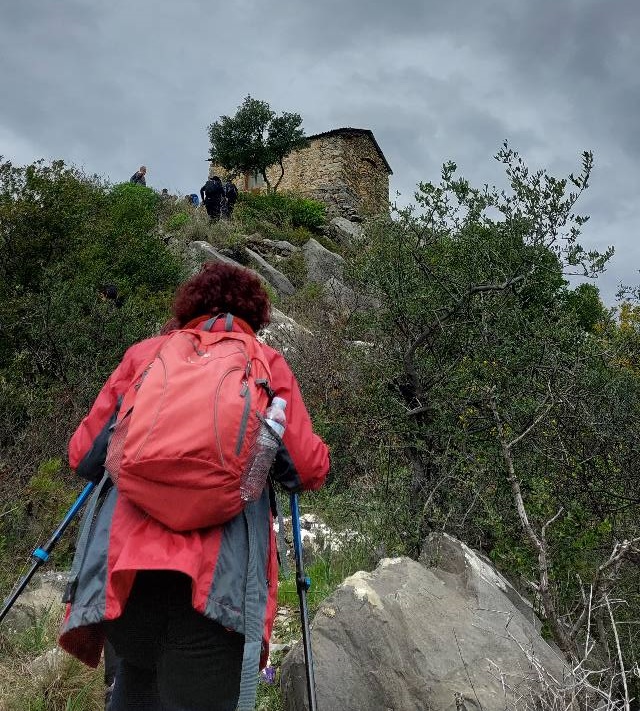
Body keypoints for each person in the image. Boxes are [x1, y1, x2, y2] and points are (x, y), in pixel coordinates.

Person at [59, 262, 330, 711]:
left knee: (136, 678)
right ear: (256, 315)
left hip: (126, 577)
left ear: (189, 307)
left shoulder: (145, 356)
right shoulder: (265, 363)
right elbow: (307, 469)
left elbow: (83, 454)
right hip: (213, 586)